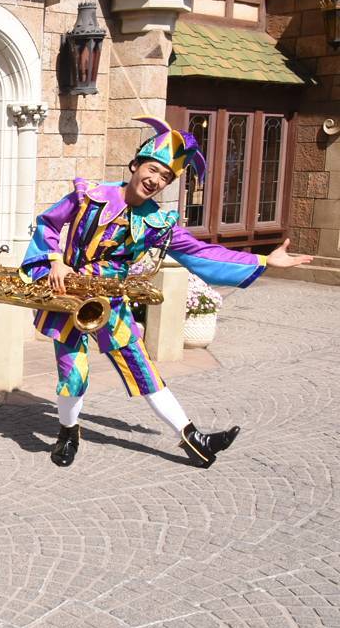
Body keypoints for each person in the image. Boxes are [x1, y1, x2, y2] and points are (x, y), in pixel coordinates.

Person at [21, 116, 313, 469]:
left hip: (109, 304)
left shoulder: (158, 223)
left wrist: (264, 259)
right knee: (73, 375)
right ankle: (68, 433)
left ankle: (193, 438)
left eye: (166, 178)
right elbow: (49, 223)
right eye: (153, 170)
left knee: (144, 370)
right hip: (69, 299)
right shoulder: (89, 197)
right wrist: (55, 261)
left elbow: (203, 253)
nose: (156, 181)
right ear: (135, 165)